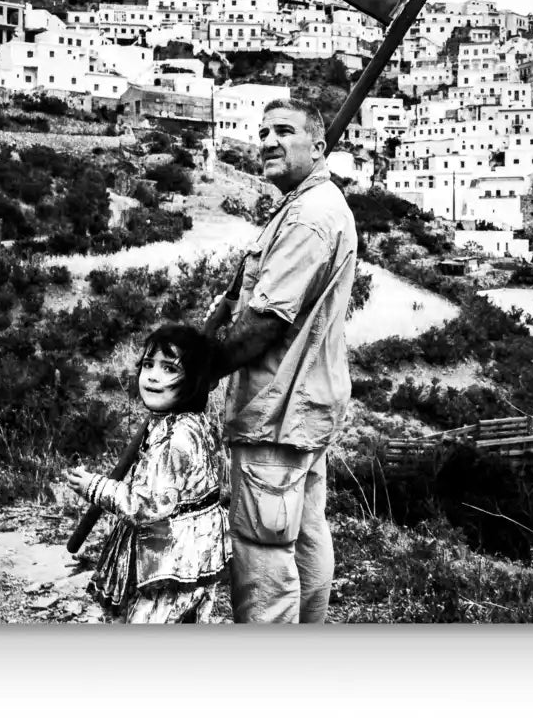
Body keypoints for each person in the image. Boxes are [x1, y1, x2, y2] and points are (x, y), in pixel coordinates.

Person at [203, 98, 357, 623]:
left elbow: (266, 321)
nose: (267, 140)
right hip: (306, 407)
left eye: (283, 131)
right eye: (262, 130)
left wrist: (199, 371)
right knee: (306, 531)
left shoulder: (310, 216)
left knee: (263, 551)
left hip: (279, 410)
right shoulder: (309, 205)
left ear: (319, 146)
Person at [64, 324, 231, 623]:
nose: (153, 375)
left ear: (194, 380)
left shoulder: (176, 438)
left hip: (172, 563)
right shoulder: (188, 423)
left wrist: (94, 487)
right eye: (148, 365)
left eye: (169, 368)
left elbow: (146, 505)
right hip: (193, 555)